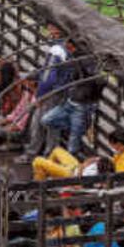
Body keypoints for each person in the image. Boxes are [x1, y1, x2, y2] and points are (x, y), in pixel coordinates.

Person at [17, 23, 71, 163]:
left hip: (51, 92)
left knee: (40, 123)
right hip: (61, 90)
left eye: (51, 28)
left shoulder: (56, 49)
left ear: (57, 31)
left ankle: (35, 155)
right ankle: (49, 156)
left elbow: (48, 77)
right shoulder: (68, 48)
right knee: (51, 124)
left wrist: (40, 96)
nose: (48, 30)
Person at [38, 41, 102, 158]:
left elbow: (100, 81)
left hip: (82, 104)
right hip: (70, 100)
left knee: (73, 142)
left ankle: (68, 165)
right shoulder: (74, 61)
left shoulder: (88, 63)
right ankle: (78, 128)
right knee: (46, 120)